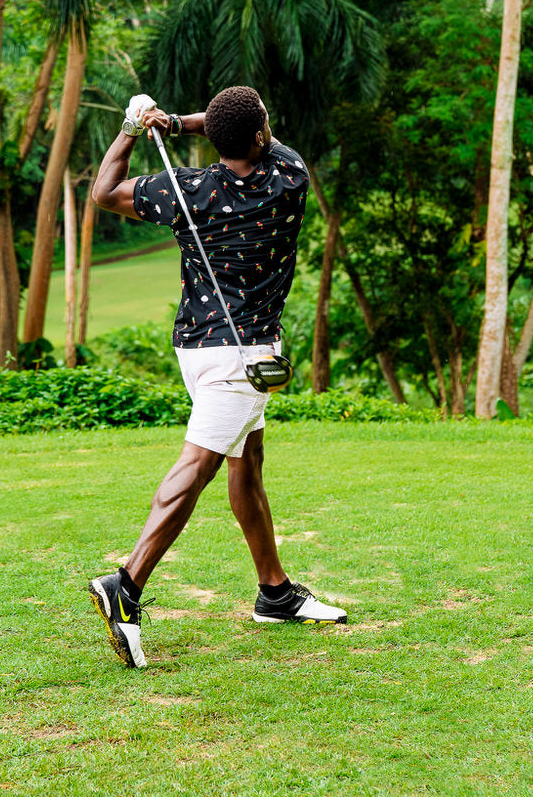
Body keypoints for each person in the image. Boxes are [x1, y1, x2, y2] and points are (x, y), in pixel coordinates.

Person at [87, 85, 346, 669]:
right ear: (261, 136)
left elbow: (104, 192)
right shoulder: (289, 174)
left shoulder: (186, 189)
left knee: (246, 464)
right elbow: (238, 125)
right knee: (198, 466)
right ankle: (125, 584)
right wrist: (176, 122)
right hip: (241, 360)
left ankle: (274, 593)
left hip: (198, 349)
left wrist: (134, 128)